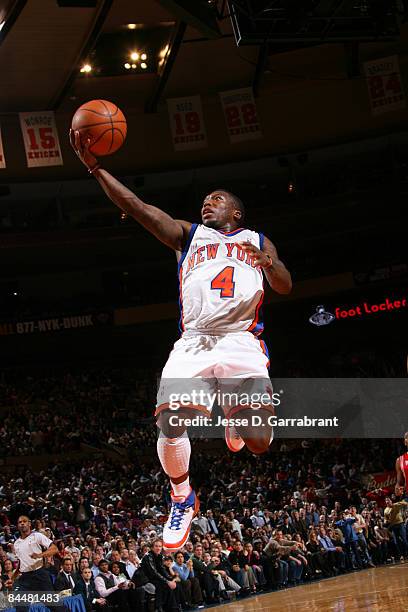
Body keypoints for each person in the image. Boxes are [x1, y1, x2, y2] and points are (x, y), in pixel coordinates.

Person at [70, 131, 292, 553]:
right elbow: (136, 207)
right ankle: (181, 496)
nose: (207, 203)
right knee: (171, 421)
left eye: (216, 198)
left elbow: (285, 284)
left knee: (260, 443)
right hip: (194, 342)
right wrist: (96, 168)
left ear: (236, 212)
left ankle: (234, 413)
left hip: (241, 341)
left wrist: (270, 263)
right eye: (205, 199)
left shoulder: (258, 241)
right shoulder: (187, 236)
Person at [13, 516, 58, 598]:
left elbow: (54, 549)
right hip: (25, 577)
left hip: (39, 574)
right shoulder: (16, 544)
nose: (22, 523)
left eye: (24, 521)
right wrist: (12, 578)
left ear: (29, 524)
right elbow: (21, 563)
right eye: (20, 522)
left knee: (52, 604)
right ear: (18, 526)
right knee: (20, 606)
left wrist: (40, 555)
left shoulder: (37, 536)